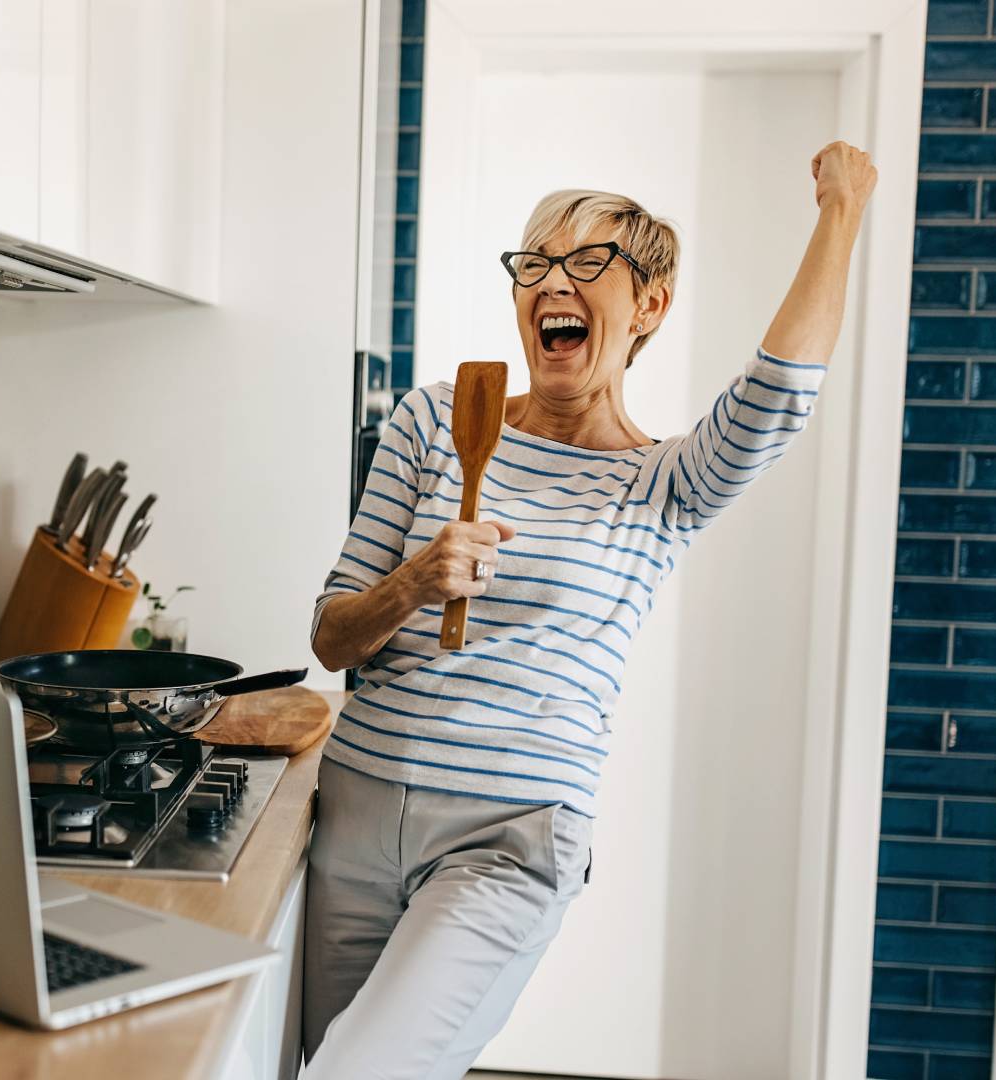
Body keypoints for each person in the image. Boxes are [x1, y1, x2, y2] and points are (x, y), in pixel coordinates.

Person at [302, 141, 878, 1078]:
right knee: (318, 1061)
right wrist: (413, 582)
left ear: (649, 305)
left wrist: (842, 211)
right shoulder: (433, 421)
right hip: (356, 812)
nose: (552, 283)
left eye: (588, 262)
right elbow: (331, 637)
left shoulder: (664, 483)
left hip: (508, 836)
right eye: (535, 264)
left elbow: (780, 392)